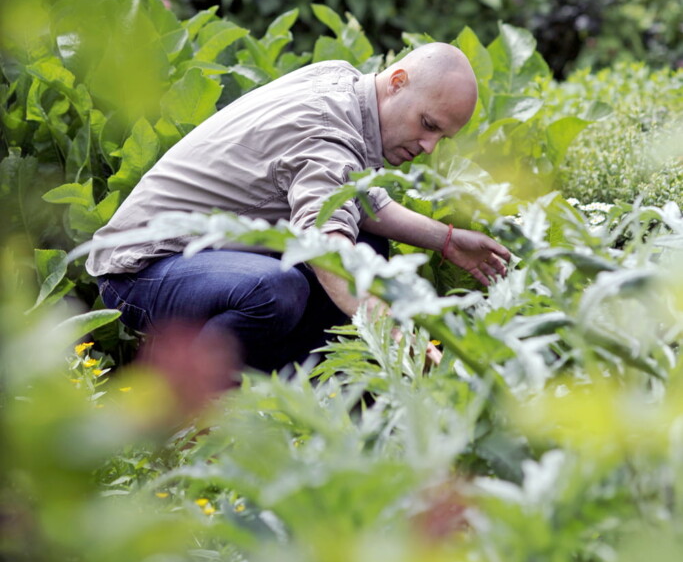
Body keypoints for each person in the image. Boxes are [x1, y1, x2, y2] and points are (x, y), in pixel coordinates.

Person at [87, 43, 510, 373]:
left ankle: (295, 391)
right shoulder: (329, 134)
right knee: (276, 289)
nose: (428, 147)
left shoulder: (343, 84)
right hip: (141, 271)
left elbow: (358, 201)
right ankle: (185, 404)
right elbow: (324, 242)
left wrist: (449, 240)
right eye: (428, 125)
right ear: (397, 82)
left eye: (441, 138)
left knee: (368, 248)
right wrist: (398, 338)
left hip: (198, 258)